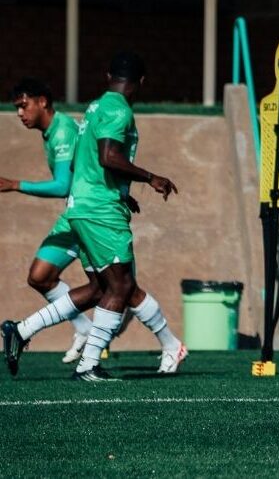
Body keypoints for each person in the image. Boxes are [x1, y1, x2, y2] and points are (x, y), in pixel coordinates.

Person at [2, 53, 187, 381]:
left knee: (102, 288)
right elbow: (108, 156)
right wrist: (151, 177)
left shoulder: (94, 107)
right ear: (141, 82)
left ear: (107, 76)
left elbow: (79, 165)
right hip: (99, 212)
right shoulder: (118, 110)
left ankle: (24, 329)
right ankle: (90, 364)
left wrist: (122, 192)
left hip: (82, 208)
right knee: (122, 285)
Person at [0, 79, 96, 364]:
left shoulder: (63, 130)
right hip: (75, 213)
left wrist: (16, 184)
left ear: (42, 101)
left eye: (23, 105)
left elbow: (63, 185)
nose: (20, 113)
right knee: (40, 276)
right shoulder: (50, 132)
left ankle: (170, 343)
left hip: (88, 214)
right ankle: (84, 329)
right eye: (17, 107)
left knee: (118, 288)